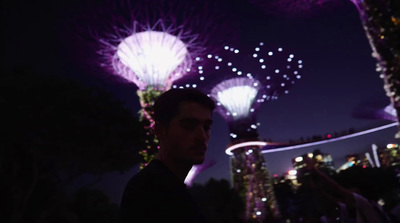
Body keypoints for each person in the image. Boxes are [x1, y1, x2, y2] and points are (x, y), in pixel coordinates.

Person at [120, 88, 215, 223]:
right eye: (188, 125)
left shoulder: (167, 187)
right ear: (159, 130)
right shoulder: (151, 191)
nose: (202, 136)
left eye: (206, 127)